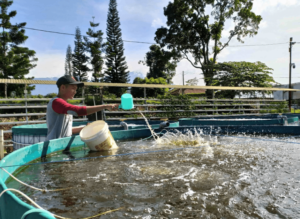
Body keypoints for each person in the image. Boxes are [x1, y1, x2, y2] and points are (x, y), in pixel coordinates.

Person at [46, 75, 118, 141]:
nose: (75, 92)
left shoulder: (64, 105)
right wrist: (105, 106)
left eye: (76, 89)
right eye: (73, 88)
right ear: (63, 87)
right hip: (53, 146)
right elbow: (78, 111)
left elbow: (67, 130)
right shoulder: (57, 102)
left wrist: (84, 128)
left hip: (61, 145)